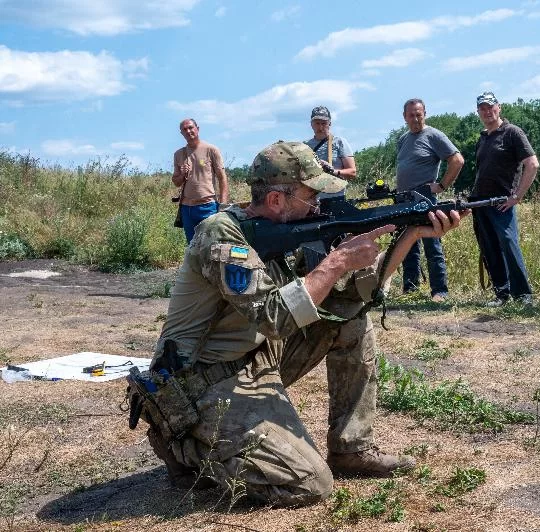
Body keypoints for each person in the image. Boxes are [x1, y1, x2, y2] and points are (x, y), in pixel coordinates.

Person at [137, 141, 464, 508]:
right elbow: (275, 317)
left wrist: (412, 232)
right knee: (310, 484)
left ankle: (350, 448)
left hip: (255, 359)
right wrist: (337, 261)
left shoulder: (289, 227)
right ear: (277, 200)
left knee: (349, 317)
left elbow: (355, 294)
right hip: (202, 382)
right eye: (312, 195)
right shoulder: (221, 233)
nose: (319, 204)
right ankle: (187, 446)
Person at [472, 91, 538, 306]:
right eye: (482, 108)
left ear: (498, 107)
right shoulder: (483, 137)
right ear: (478, 111)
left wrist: (517, 196)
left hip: (502, 201)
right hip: (480, 202)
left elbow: (532, 164)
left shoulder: (512, 133)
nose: (487, 111)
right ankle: (502, 293)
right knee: (489, 246)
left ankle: (523, 295)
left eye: (490, 107)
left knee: (509, 244)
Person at [396, 98, 464, 302]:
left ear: (425, 113)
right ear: (404, 117)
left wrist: (442, 185)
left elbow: (457, 160)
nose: (415, 118)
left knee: (432, 243)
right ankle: (410, 288)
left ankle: (439, 291)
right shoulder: (402, 139)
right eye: (411, 115)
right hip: (403, 199)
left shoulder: (433, 135)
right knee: (407, 244)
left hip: (424, 197)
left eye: (419, 114)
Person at [172, 118, 229, 243]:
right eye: (184, 129)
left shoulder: (211, 150)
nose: (188, 131)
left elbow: (222, 177)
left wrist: (223, 206)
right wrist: (182, 173)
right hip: (187, 209)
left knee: (212, 245)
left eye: (190, 127)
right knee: (192, 247)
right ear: (181, 133)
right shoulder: (179, 154)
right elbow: (176, 182)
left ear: (197, 128)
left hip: (208, 206)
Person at [304, 106, 356, 199]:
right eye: (317, 123)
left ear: (330, 123)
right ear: (311, 124)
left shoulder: (339, 142)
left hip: (336, 198)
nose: (320, 127)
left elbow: (352, 172)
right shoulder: (305, 147)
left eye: (324, 123)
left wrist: (333, 171)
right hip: (312, 202)